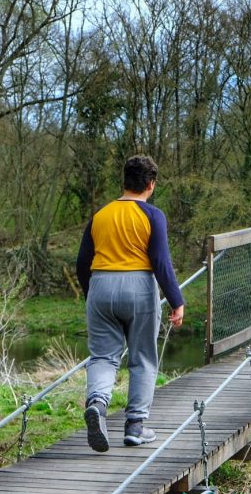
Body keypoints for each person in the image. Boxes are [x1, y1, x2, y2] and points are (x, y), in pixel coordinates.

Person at [75, 155, 185, 451]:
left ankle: (97, 404)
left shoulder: (100, 216)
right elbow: (160, 261)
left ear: (123, 182)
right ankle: (135, 425)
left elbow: (82, 262)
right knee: (143, 357)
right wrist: (177, 300)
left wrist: (92, 295)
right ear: (151, 184)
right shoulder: (152, 215)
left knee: (102, 357)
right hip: (139, 287)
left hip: (100, 286)